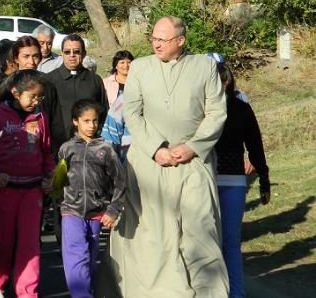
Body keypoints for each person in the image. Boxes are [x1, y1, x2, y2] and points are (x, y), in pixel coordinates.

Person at [105, 16, 229, 297]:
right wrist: (156, 149)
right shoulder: (140, 67)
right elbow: (132, 113)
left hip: (194, 162)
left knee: (201, 231)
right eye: (154, 38)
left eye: (163, 39)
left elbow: (216, 113)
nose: (155, 43)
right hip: (150, 164)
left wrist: (194, 146)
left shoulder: (205, 66)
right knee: (153, 237)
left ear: (180, 41)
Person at [0, 70, 55, 298]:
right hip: (4, 189)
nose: (36, 101)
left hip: (33, 190)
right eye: (32, 96)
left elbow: (46, 150)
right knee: (2, 241)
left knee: (30, 244)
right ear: (15, 93)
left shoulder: (40, 117)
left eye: (39, 97)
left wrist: (50, 176)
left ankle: (27, 291)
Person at [58, 99, 125, 298]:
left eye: (95, 121)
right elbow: (59, 180)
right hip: (71, 211)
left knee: (89, 258)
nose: (91, 126)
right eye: (86, 121)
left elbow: (120, 181)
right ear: (75, 122)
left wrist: (113, 210)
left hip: (98, 213)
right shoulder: (66, 148)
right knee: (76, 257)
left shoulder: (105, 149)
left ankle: (88, 292)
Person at [215, 63, 271, 298]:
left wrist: (264, 180)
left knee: (227, 243)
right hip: (209, 181)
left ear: (226, 83)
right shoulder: (201, 109)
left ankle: (235, 293)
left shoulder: (239, 109)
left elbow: (255, 146)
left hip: (228, 180)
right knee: (224, 243)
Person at [44, 34, 107, 146]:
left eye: (76, 51)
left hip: (88, 144)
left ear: (84, 54)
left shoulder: (94, 80)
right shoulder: (49, 80)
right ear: (61, 54)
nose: (72, 55)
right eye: (67, 52)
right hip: (58, 144)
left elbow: (103, 111)